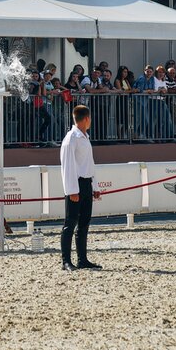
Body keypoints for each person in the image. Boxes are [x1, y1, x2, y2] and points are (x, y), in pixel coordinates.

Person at [59, 104, 101, 272]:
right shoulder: (71, 138)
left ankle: (82, 259)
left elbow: (89, 163)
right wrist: (71, 191)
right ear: (86, 119)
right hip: (75, 185)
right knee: (70, 223)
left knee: (84, 222)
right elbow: (67, 166)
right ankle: (66, 261)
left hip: (86, 184)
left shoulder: (85, 137)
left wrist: (95, 185)